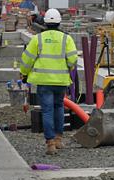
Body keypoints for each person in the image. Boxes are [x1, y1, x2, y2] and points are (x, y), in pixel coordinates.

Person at [19, 8, 78, 156]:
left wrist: (24, 74)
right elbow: (73, 59)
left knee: (47, 110)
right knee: (59, 108)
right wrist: (67, 67)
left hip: (43, 82)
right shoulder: (66, 38)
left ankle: (50, 143)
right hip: (60, 81)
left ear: (44, 22)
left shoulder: (37, 39)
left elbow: (27, 60)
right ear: (59, 22)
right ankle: (58, 139)